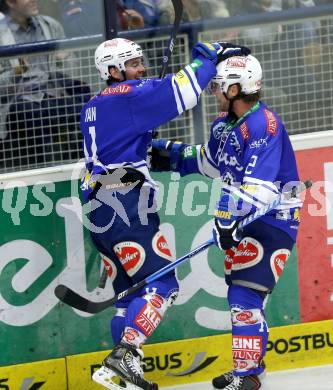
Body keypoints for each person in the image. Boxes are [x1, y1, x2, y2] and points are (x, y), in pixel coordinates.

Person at [80, 37, 250, 390]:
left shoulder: (94, 106)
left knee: (128, 296)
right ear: (112, 71)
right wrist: (208, 55)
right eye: (133, 63)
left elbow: (120, 146)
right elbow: (183, 91)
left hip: (99, 210)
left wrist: (149, 147)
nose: (141, 68)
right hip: (127, 205)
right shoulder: (129, 95)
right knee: (164, 284)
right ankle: (126, 352)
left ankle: (120, 374)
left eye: (141, 61)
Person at [151, 54, 302, 390]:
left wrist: (226, 220)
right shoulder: (226, 124)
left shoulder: (265, 125)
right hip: (244, 219)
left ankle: (248, 375)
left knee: (245, 296)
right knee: (242, 294)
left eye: (218, 86)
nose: (213, 91)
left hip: (273, 218)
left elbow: (259, 190)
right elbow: (212, 163)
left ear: (236, 88)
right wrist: (168, 154)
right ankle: (251, 371)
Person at [0, 0, 90, 170]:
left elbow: (73, 68)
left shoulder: (50, 25)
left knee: (87, 106)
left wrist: (67, 59)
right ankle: (48, 172)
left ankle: (85, 169)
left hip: (54, 94)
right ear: (11, 2)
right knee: (32, 113)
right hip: (21, 101)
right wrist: (15, 73)